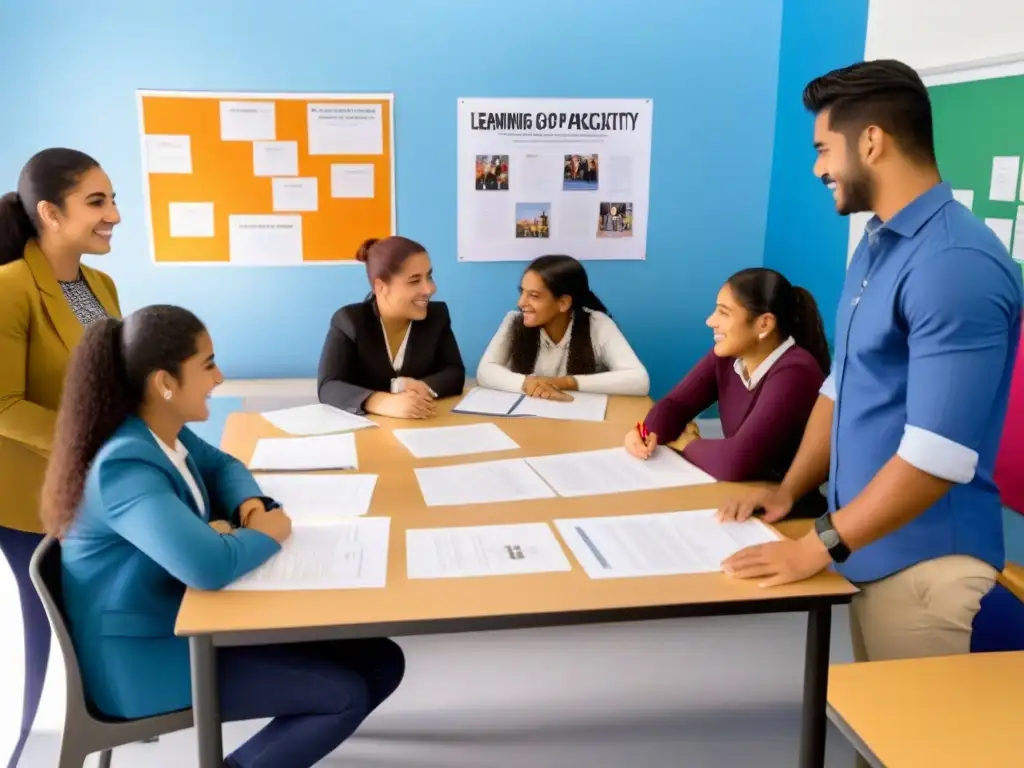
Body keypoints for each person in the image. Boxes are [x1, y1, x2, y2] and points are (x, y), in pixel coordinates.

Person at [719, 60, 1023, 666]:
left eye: (823, 149)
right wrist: (790, 490)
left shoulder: (953, 263)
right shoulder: (878, 244)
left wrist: (815, 547)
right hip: (866, 546)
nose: (817, 168)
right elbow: (843, 384)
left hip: (927, 568)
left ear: (871, 140)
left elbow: (937, 456)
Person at [44, 305, 405, 768]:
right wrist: (269, 532)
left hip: (185, 618)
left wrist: (248, 507)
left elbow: (223, 466)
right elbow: (209, 567)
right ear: (164, 382)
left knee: (380, 660)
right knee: (345, 694)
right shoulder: (124, 464)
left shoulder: (158, 430)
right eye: (208, 364)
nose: (220, 377)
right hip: (145, 659)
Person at [0, 147, 122, 768]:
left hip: (95, 490)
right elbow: (3, 405)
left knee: (96, 624)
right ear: (49, 211)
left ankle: (103, 732)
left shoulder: (99, 285)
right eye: (97, 202)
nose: (115, 215)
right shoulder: (10, 288)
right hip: (30, 498)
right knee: (45, 635)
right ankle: (25, 749)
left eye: (113, 199)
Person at [626, 268, 830, 505]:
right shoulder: (729, 356)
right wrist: (647, 432)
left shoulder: (796, 371)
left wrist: (686, 443)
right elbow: (676, 404)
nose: (710, 321)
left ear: (764, 324)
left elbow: (736, 462)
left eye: (723, 313)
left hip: (781, 507)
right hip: (738, 493)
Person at [317, 236, 465, 418]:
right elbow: (329, 386)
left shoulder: (437, 316)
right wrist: (382, 402)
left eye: (429, 276)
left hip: (422, 427)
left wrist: (416, 387)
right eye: (414, 281)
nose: (430, 289)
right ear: (381, 287)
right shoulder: (349, 321)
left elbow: (454, 372)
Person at [476, 254, 649, 399]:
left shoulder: (598, 325)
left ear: (563, 303)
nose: (521, 303)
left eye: (534, 296)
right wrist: (528, 383)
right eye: (522, 292)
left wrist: (566, 383)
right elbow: (485, 371)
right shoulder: (513, 321)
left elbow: (639, 380)